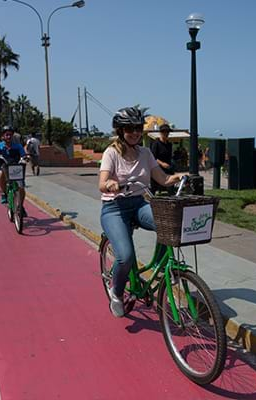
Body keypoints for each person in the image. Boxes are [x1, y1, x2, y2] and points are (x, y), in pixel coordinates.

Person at [99, 107, 184, 318]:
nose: (135, 132)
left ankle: (162, 266)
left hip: (138, 204)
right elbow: (102, 182)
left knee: (168, 224)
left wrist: (180, 176)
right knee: (125, 256)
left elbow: (162, 179)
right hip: (114, 208)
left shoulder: (145, 153)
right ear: (120, 130)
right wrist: (111, 184)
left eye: (138, 128)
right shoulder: (111, 153)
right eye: (129, 128)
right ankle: (116, 292)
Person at [0, 126, 28, 215]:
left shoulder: (18, 146)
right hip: (4, 168)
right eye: (7, 135)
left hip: (16, 169)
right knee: (0, 174)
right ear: (3, 136)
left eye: (10, 135)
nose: (9, 137)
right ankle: (5, 193)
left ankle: (20, 206)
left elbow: (23, 155)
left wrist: (26, 157)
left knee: (21, 188)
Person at [151, 123, 174, 194]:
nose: (166, 134)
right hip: (157, 168)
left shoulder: (169, 145)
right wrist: (162, 163)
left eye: (168, 132)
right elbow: (153, 157)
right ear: (161, 132)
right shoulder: (156, 143)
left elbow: (170, 156)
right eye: (164, 132)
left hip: (168, 169)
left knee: (170, 187)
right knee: (153, 188)